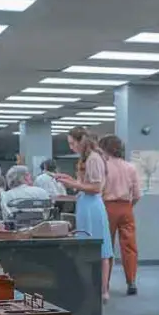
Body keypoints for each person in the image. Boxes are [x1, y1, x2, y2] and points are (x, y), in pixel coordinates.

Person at [56, 127, 114, 303]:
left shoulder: (94, 159)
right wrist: (70, 180)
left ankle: (102, 290)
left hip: (92, 206)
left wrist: (75, 185)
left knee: (101, 250)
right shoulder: (87, 158)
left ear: (81, 141)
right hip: (85, 205)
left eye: (72, 143)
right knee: (87, 250)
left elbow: (96, 188)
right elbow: (85, 184)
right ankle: (92, 290)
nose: (71, 147)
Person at [98, 134, 141, 296]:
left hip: (107, 207)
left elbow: (98, 189)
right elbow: (137, 195)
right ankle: (131, 281)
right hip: (126, 207)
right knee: (129, 246)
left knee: (106, 247)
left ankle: (105, 283)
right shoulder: (130, 167)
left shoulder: (103, 166)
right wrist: (128, 206)